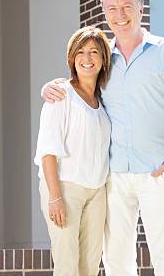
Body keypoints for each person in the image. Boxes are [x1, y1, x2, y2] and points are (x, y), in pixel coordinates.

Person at [42, 0, 164, 275]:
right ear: (105, 14)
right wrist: (52, 87)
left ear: (141, 9)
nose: (120, 14)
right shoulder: (103, 58)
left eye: (127, 6)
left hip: (159, 172)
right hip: (114, 177)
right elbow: (80, 84)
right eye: (112, 8)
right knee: (116, 262)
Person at [34, 26, 112, 276]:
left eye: (94, 52)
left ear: (103, 60)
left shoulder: (103, 101)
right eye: (80, 52)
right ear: (72, 58)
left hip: (97, 191)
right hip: (65, 189)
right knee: (67, 265)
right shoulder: (61, 95)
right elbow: (47, 151)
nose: (87, 59)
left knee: (89, 266)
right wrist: (55, 197)